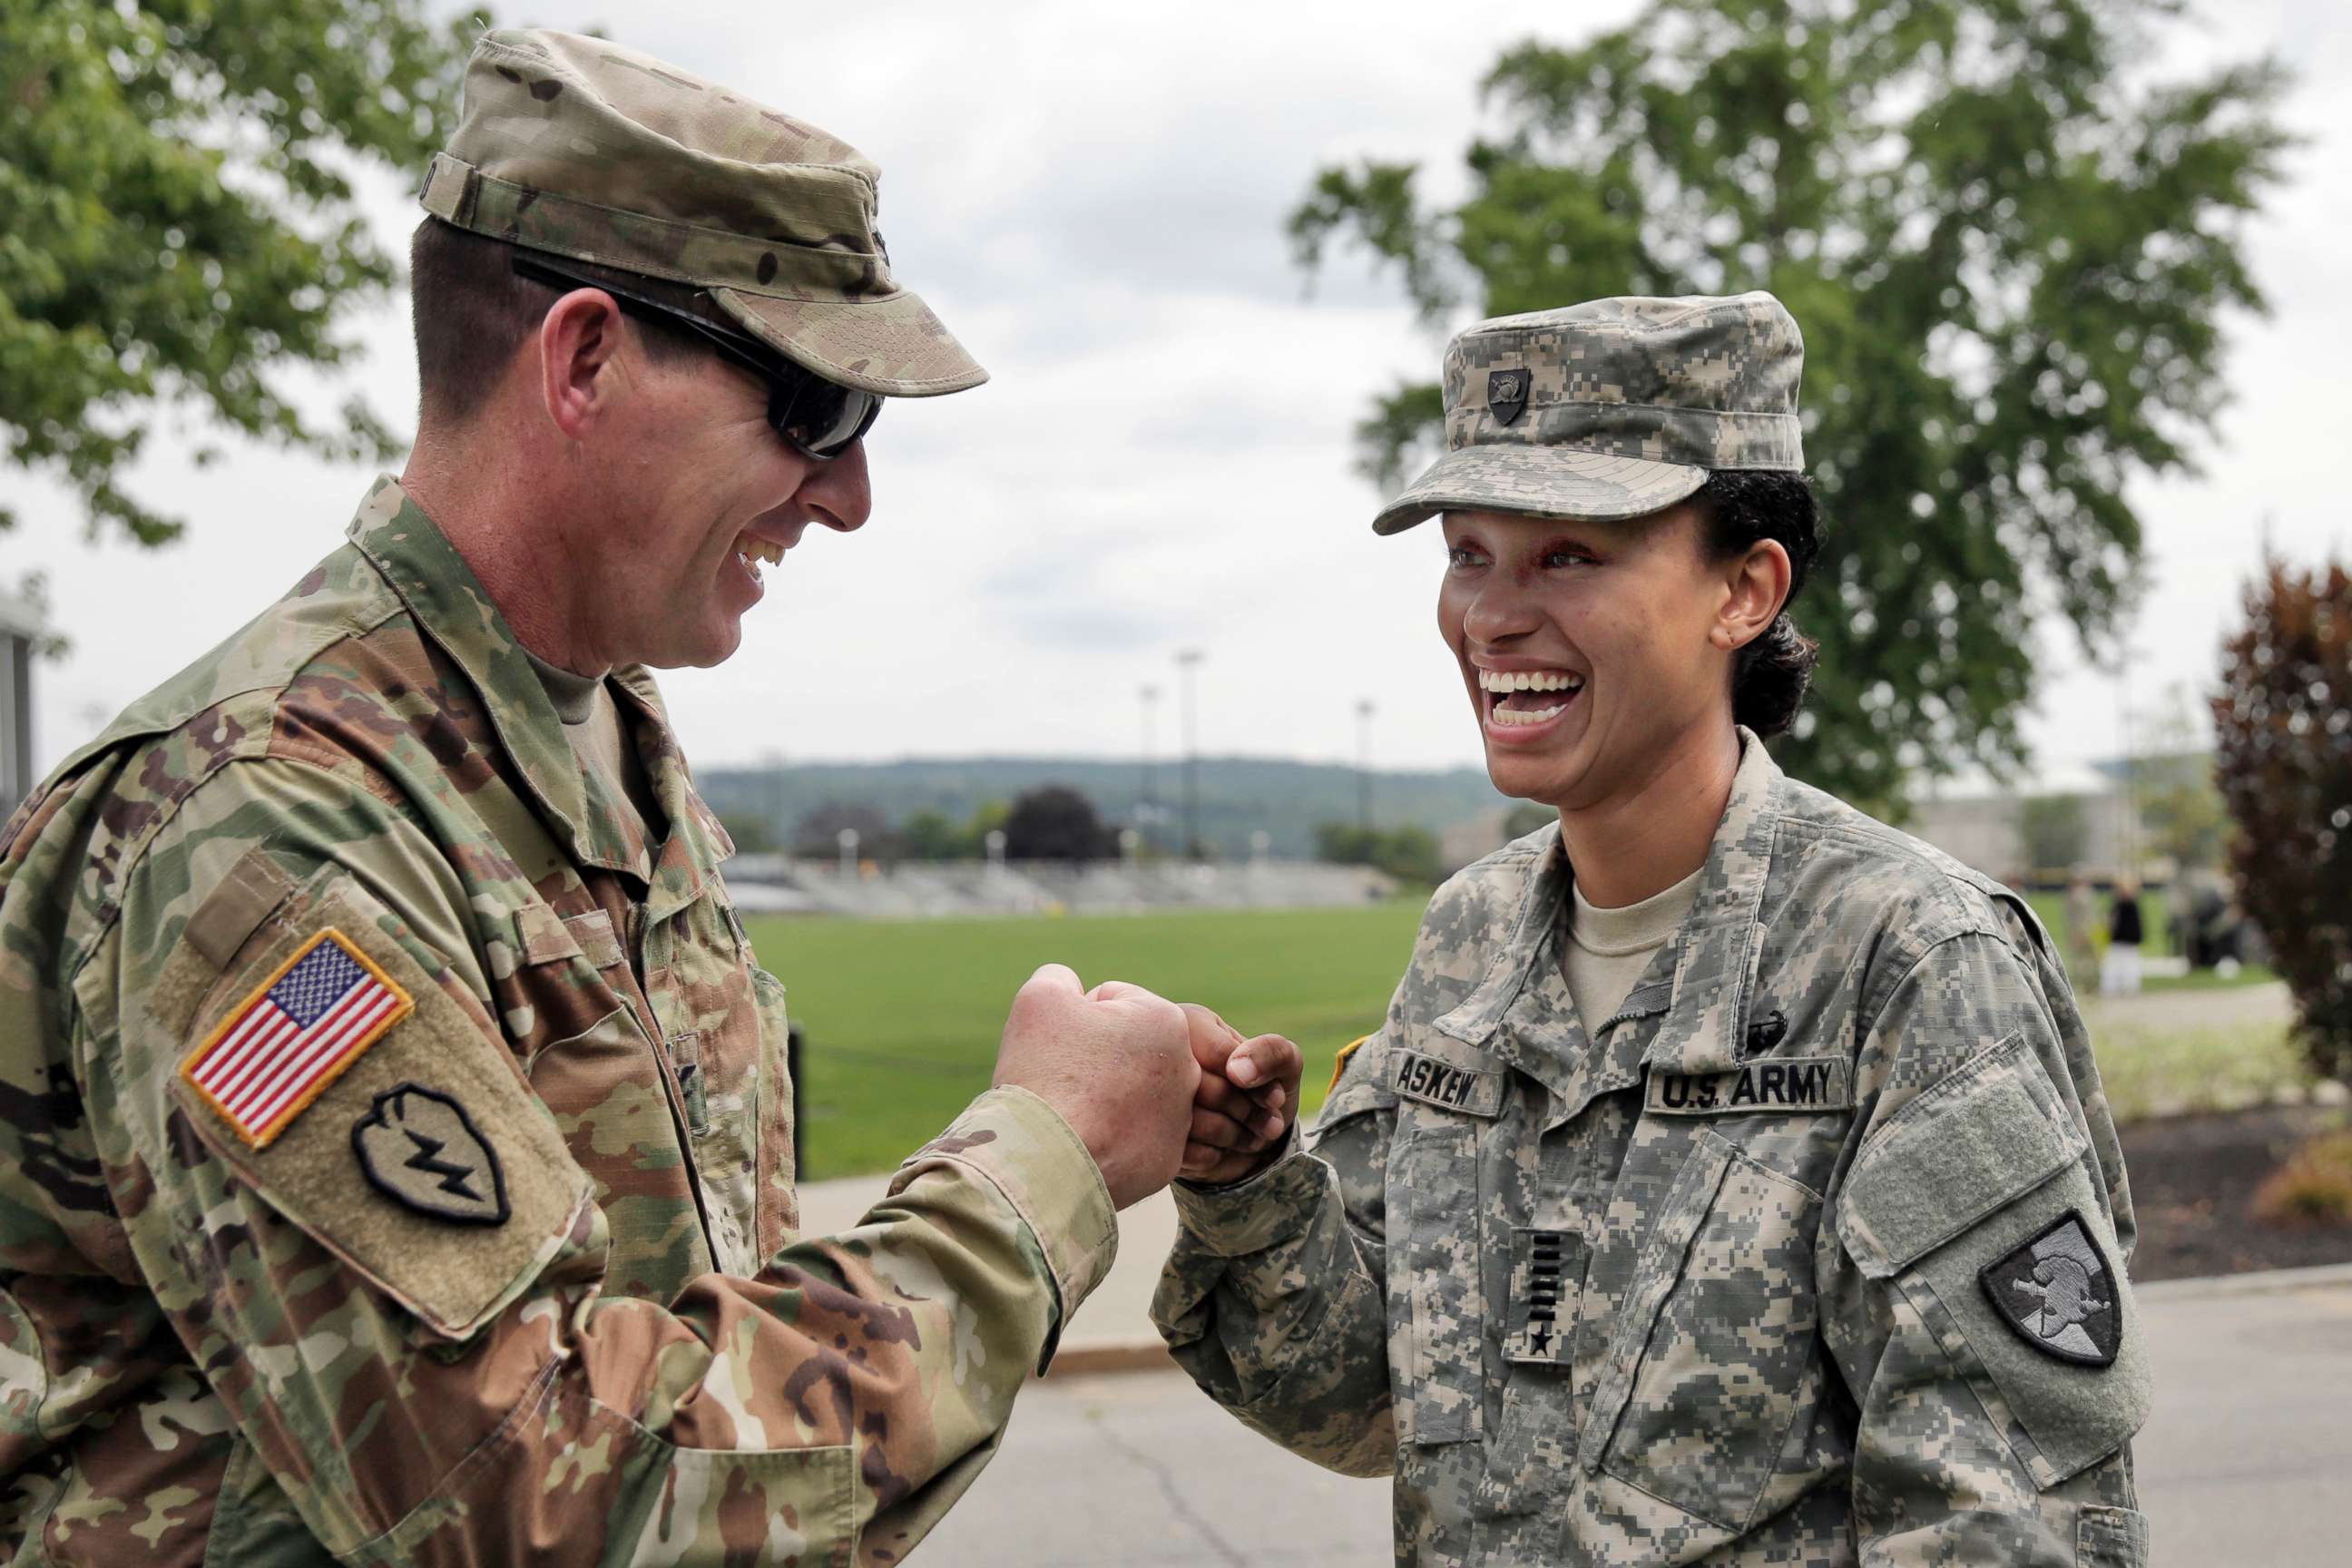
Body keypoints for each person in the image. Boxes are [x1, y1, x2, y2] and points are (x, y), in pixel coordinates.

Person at [0, 30, 1209, 1564]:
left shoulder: (597, 748)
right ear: (581, 359)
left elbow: (698, 1344)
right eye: (814, 410)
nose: (847, 495)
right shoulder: (263, 828)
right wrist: (1044, 1157)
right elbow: (559, 1500)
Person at [1155, 294, 2151, 1564]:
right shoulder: (1472, 939)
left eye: (1568, 555)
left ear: (1744, 589)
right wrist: (1250, 1186)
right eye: (1469, 553)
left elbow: (2016, 1522)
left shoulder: (1908, 962)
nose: (1492, 616)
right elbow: (1360, 1400)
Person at [2104, 876, 2146, 995]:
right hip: (2118, 939)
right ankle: (2112, 988)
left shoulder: (2131, 905)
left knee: (2130, 965)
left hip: (2129, 939)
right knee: (2114, 965)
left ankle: (2130, 987)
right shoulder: (2118, 905)